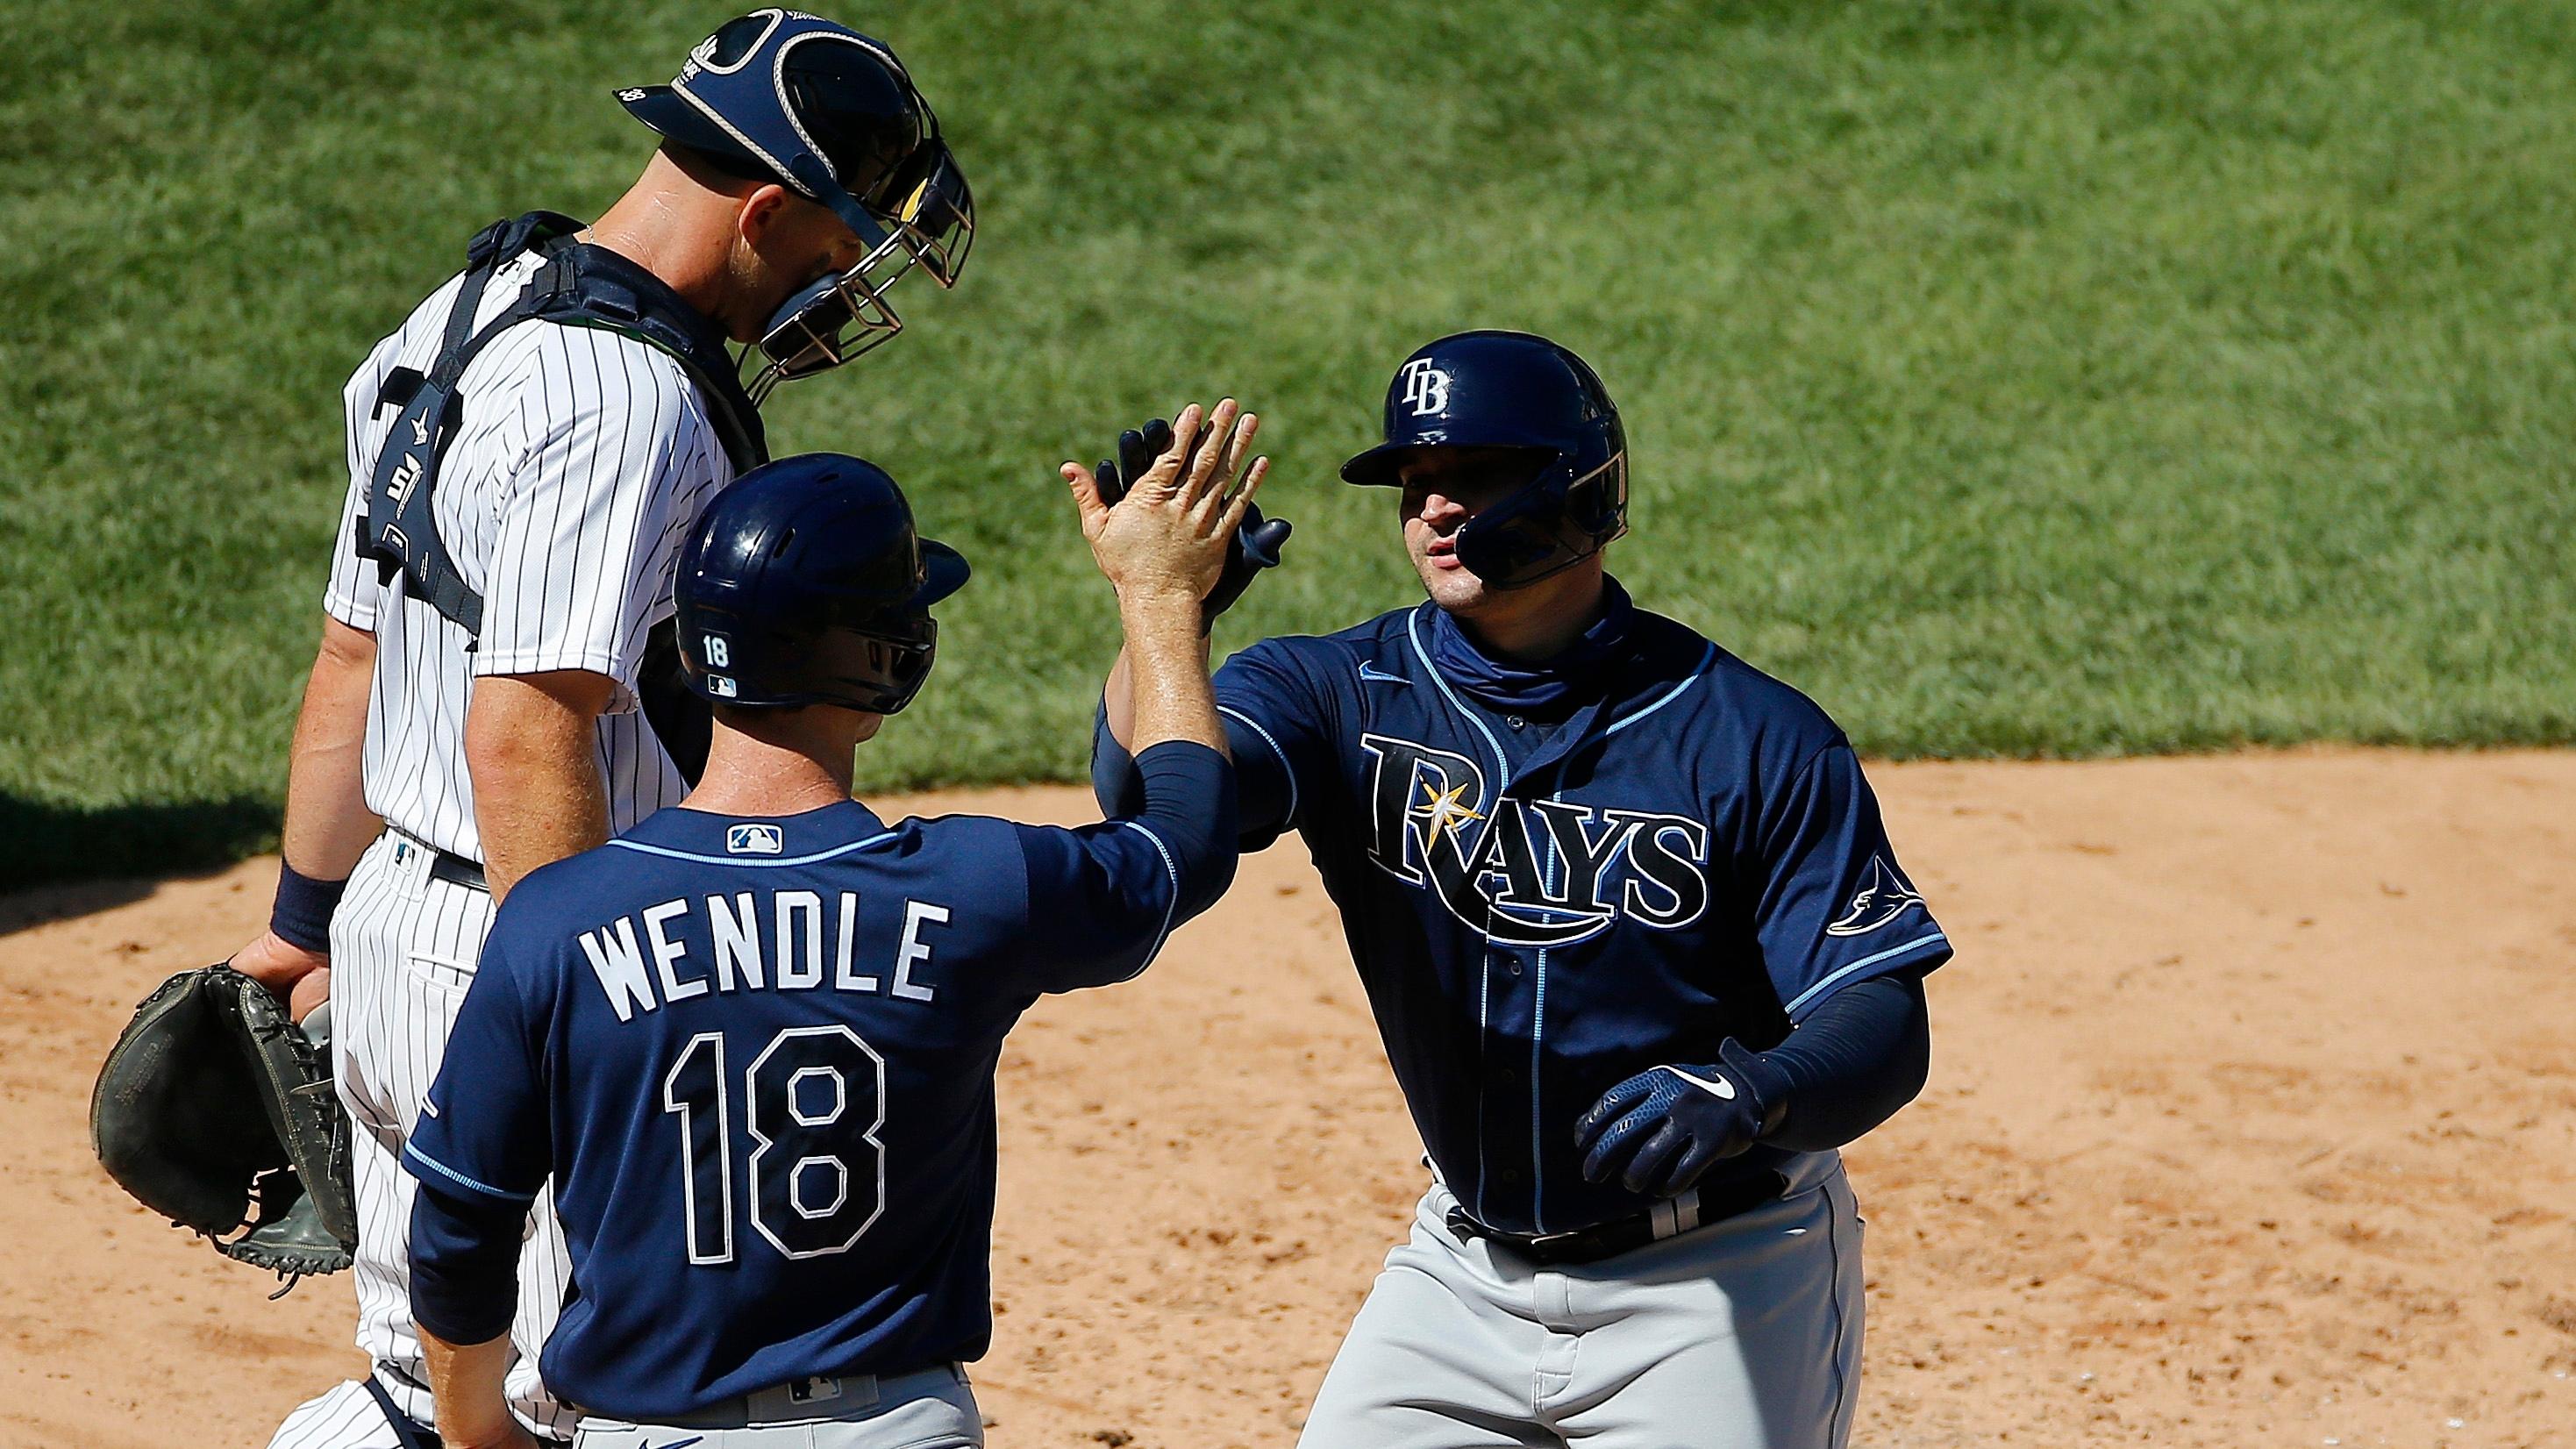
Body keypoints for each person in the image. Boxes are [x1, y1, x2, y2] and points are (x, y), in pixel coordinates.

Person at [239, 12, 974, 1445]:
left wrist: (299, 920)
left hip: (401, 929)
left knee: (428, 1368)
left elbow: (352, 647)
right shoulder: (625, 398)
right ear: (765, 204)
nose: (844, 277)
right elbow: (529, 726)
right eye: (840, 237)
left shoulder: (465, 306)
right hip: (521, 943)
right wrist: (570, 1016)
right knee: (581, 1390)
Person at [1091, 332, 1952, 1449]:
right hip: (1459, 1274)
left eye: (1475, 475)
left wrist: (1757, 1093)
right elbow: (1154, 800)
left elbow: (1882, 1016)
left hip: (1714, 1279)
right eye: (1415, 484)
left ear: (1576, 487)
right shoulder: (1342, 689)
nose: (1436, 508)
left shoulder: (1749, 736)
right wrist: (1170, 616)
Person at [399, 415, 1259, 1448]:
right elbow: (1186, 845)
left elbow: (460, 1224)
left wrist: (475, 1434)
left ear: (689, 647)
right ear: (893, 660)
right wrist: (1161, 600)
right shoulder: (979, 886)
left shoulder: (556, 919)